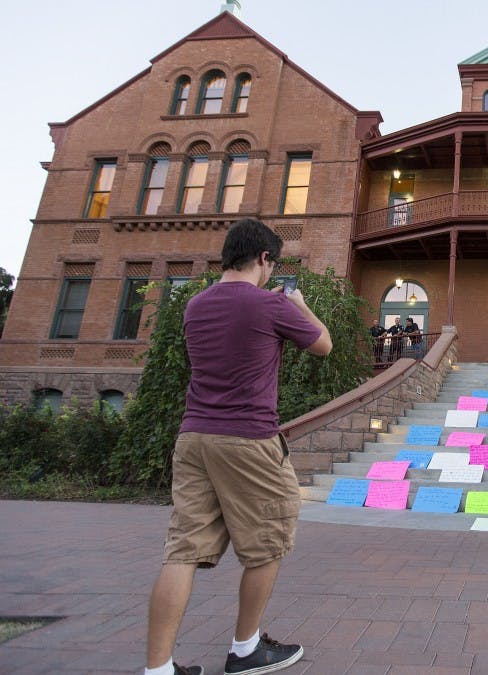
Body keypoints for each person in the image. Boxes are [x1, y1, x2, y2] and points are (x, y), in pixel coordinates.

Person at [144, 219, 332, 675]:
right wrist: (302, 308)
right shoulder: (270, 305)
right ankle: (246, 648)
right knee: (268, 541)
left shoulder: (195, 305)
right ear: (265, 259)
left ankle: (158, 669)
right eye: (274, 263)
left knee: (183, 550)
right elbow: (324, 345)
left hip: (193, 438)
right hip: (248, 438)